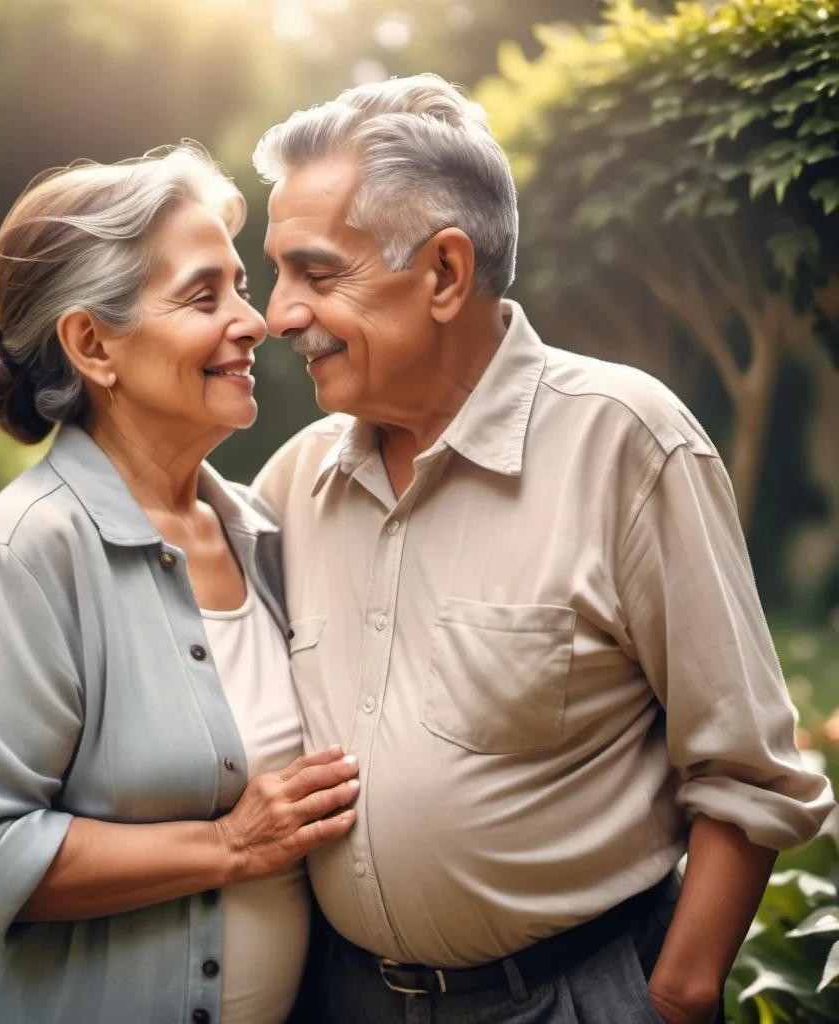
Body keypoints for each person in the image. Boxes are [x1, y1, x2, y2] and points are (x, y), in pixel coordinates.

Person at [251, 75, 835, 1024]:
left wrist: (674, 1002)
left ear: (444, 273)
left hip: (572, 999)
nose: (279, 315)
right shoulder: (295, 480)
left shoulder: (628, 442)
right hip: (343, 996)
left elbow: (746, 773)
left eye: (317, 275)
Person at [0, 145, 359, 1024]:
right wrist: (228, 846)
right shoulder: (30, 550)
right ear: (92, 345)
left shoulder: (259, 533)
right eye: (204, 296)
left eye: (239, 286)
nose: (253, 321)